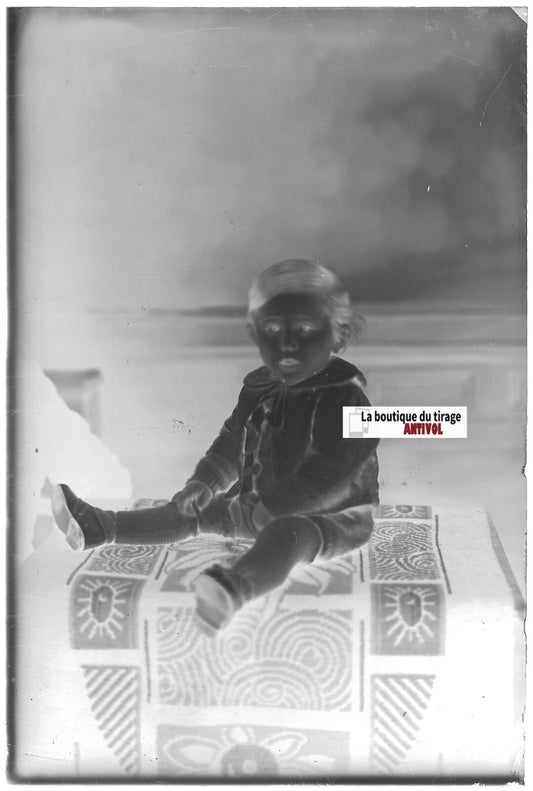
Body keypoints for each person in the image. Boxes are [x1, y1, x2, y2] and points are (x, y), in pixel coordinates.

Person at [52, 259, 379, 634]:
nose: (287, 341)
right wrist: (205, 482)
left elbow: (330, 471)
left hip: (330, 517)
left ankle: (235, 587)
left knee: (289, 533)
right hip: (260, 504)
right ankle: (101, 526)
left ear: (337, 335)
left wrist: (271, 506)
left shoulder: (342, 396)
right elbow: (232, 442)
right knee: (191, 510)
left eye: (304, 328)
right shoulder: (260, 386)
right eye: (273, 328)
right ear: (255, 333)